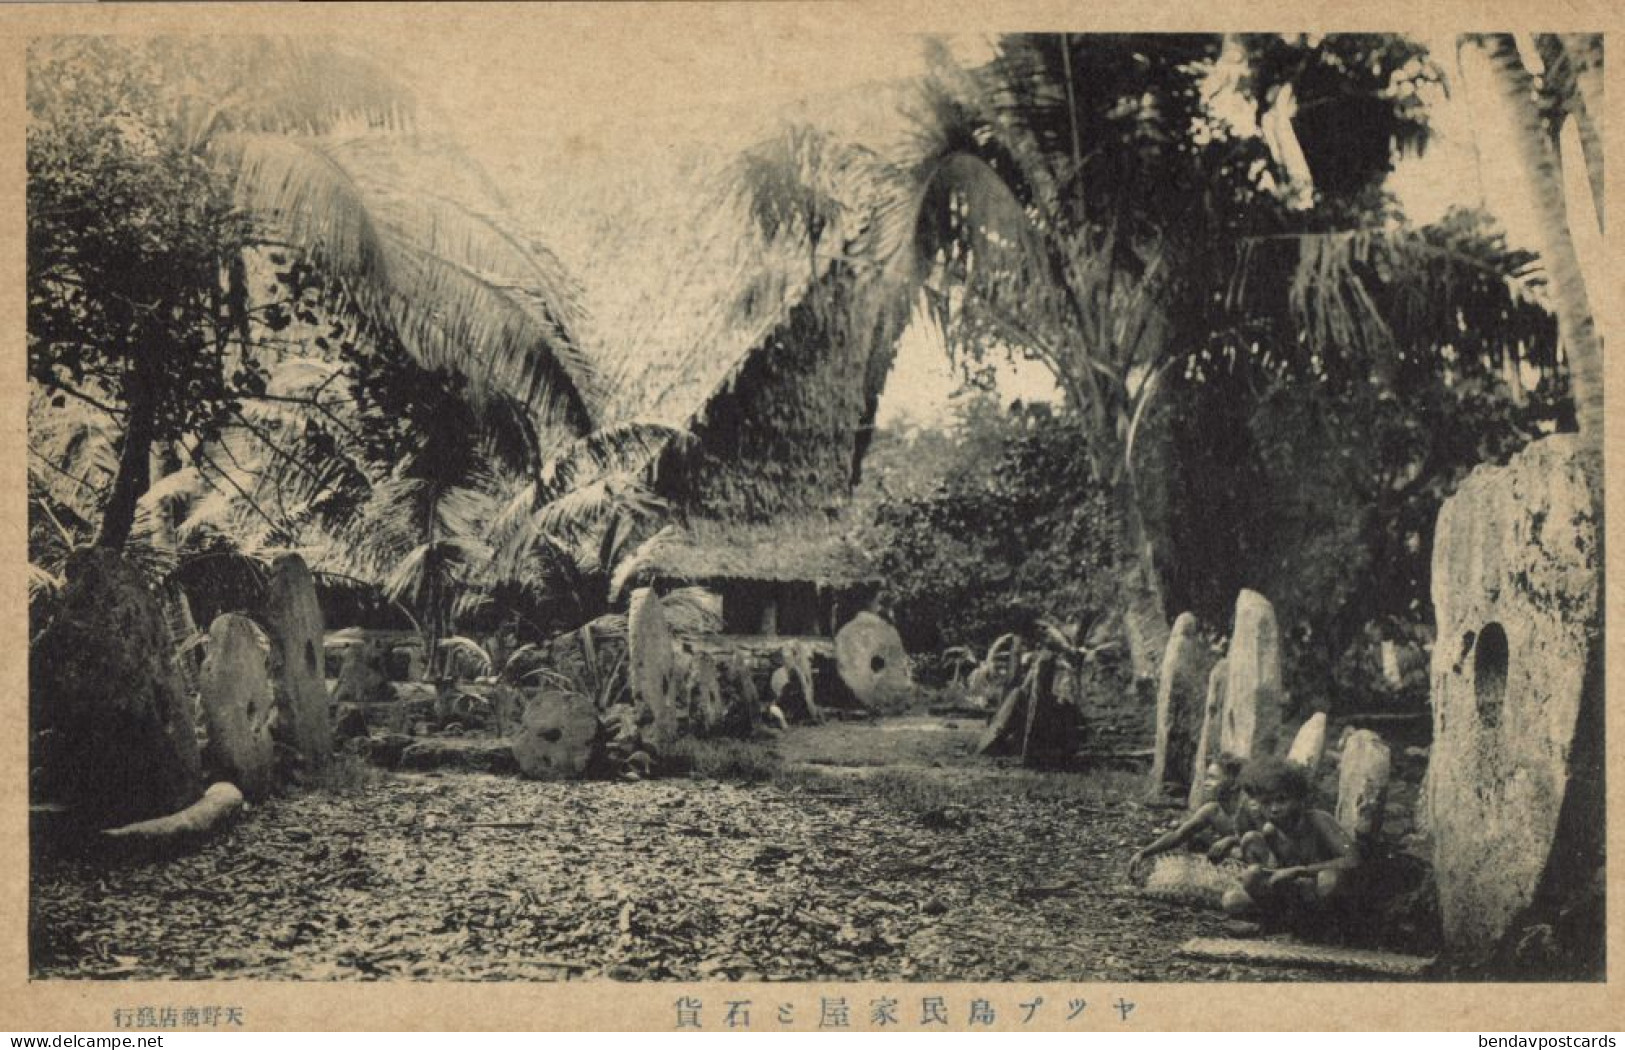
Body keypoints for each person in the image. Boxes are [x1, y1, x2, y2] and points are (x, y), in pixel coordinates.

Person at [1220, 754, 1361, 922]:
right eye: (1266, 803)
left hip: (1321, 886)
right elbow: (1278, 869)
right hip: (1298, 892)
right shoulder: (1271, 831)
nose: (1274, 809)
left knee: (1328, 879)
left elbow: (1352, 859)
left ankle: (1325, 928)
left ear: (1298, 798)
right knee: (1233, 899)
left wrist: (1302, 870)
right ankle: (1281, 922)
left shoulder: (1318, 820)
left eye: (1282, 800)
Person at [1128, 754, 1250, 880]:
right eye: (1207, 778)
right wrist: (1143, 853)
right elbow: (1178, 835)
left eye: (1213, 778)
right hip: (1237, 865)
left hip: (1259, 864)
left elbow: (1262, 838)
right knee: (1196, 844)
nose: (1206, 783)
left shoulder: (1247, 806)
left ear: (1233, 782)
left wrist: (1231, 840)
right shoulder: (1213, 810)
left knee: (1237, 852)